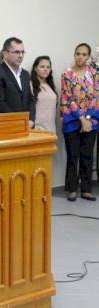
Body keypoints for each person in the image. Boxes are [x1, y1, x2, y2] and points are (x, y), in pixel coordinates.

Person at [60, 43, 98, 202]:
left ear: (89, 56)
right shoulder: (67, 74)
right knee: (72, 155)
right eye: (78, 53)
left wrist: (87, 119)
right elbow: (66, 98)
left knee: (87, 155)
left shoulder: (95, 74)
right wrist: (80, 118)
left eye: (84, 54)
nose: (80, 57)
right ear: (74, 54)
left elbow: (96, 96)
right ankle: (71, 188)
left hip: (91, 121)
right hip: (71, 120)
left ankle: (86, 189)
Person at [0, 37, 35, 126]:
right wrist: (18, 121)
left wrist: (31, 120)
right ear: (5, 53)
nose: (20, 55)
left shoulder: (25, 74)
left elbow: (31, 100)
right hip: (7, 126)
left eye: (22, 52)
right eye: (17, 52)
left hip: (27, 126)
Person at [30, 56, 57, 132]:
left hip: (51, 130)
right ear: (35, 68)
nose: (45, 69)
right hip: (36, 130)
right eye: (42, 67)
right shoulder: (30, 85)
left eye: (48, 67)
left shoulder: (50, 86)